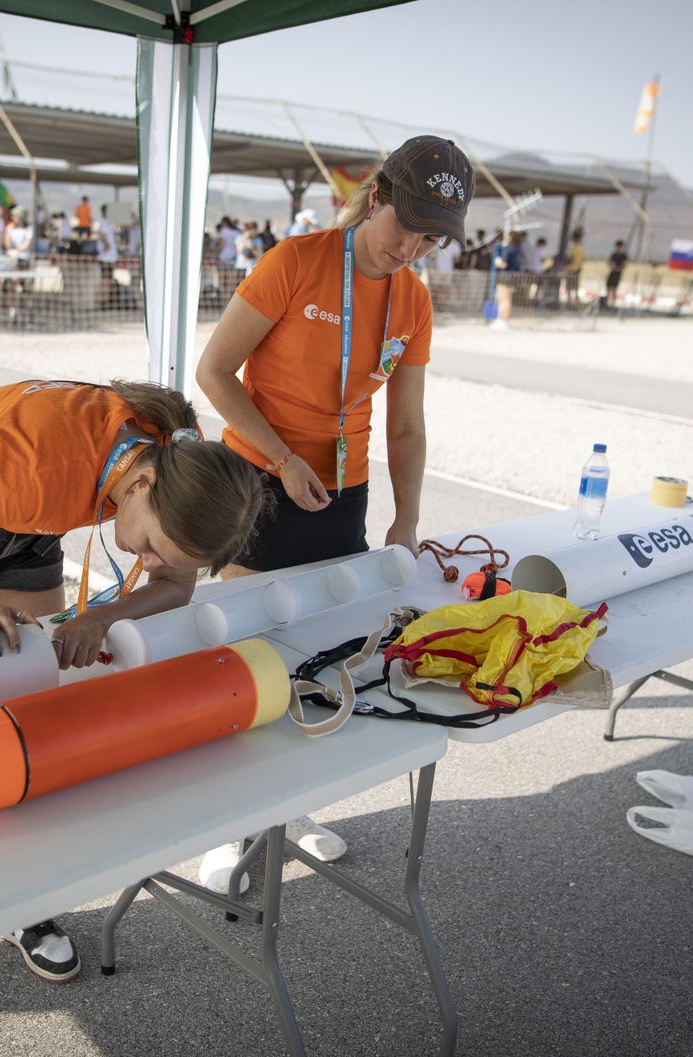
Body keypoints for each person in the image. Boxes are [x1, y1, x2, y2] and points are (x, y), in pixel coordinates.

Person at [0, 377, 268, 1030]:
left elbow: (175, 585)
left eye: (156, 553)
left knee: (22, 715)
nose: (148, 559)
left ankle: (16, 901)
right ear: (145, 486)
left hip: (26, 520)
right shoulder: (36, 469)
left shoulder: (190, 467)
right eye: (149, 545)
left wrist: (108, 616)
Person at [193, 134, 472, 890]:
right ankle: (229, 827)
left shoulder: (413, 300)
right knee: (245, 655)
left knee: (320, 655)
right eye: (406, 225)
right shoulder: (295, 262)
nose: (411, 248)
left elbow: (407, 425)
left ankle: (294, 808)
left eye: (430, 236)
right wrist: (282, 459)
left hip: (341, 496)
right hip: (256, 481)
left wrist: (406, 520)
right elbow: (214, 373)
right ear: (376, 195)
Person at [605, 239, 628, 307]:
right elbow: (609, 261)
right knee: (608, 286)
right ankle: (607, 302)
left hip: (618, 273)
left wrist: (618, 269)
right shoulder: (614, 254)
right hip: (612, 272)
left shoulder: (623, 255)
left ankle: (613, 303)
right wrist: (611, 265)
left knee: (614, 288)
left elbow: (624, 265)